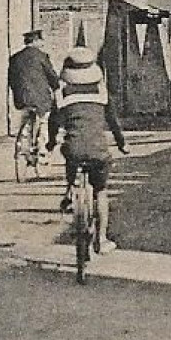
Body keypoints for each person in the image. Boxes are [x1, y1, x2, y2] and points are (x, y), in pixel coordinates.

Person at [47, 45, 129, 254]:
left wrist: (50, 142)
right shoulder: (101, 93)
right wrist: (122, 143)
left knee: (71, 155)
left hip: (73, 149)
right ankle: (101, 239)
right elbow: (113, 122)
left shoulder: (61, 95)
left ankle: (70, 189)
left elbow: (54, 122)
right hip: (98, 150)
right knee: (101, 191)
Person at [8, 29, 59, 157]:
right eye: (40, 40)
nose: (42, 43)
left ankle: (22, 141)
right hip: (39, 97)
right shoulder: (42, 56)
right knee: (44, 119)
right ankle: (42, 147)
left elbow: (11, 79)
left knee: (26, 116)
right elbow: (51, 75)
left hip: (21, 97)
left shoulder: (15, 57)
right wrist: (55, 86)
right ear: (35, 41)